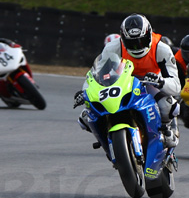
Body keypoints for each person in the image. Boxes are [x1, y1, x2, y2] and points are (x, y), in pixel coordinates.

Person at [74, 13, 181, 148]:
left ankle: (166, 129)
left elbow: (176, 86)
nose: (136, 47)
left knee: (168, 105)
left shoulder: (161, 48)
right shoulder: (112, 48)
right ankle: (105, 139)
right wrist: (85, 92)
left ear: (149, 35)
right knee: (86, 117)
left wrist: (161, 82)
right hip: (121, 84)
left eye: (140, 42)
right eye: (131, 43)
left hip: (150, 83)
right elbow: (95, 74)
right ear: (123, 39)